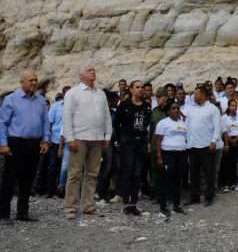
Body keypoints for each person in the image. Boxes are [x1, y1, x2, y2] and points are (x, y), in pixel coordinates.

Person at [62, 64, 112, 219]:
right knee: (75, 173)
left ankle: (89, 205)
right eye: (89, 70)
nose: (93, 72)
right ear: (81, 74)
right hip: (79, 137)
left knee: (92, 173)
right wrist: (69, 138)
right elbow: (67, 116)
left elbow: (106, 115)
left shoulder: (101, 94)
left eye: (94, 70)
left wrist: (107, 135)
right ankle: (71, 207)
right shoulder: (73, 93)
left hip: (96, 138)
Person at [0, 71, 50, 223]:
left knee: (28, 179)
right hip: (15, 142)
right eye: (30, 80)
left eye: (36, 80)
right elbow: (2, 123)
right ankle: (4, 214)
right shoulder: (11, 99)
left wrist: (45, 140)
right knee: (10, 179)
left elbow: (45, 122)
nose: (34, 82)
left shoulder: (41, 100)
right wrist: (3, 144)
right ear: (22, 82)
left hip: (34, 143)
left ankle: (23, 213)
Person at [114, 80, 152, 216]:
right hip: (127, 142)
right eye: (137, 87)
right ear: (131, 89)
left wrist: (146, 142)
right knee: (127, 171)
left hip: (140, 142)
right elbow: (116, 123)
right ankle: (126, 202)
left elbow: (147, 124)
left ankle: (134, 203)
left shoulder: (146, 107)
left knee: (137, 173)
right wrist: (120, 139)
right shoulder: (124, 105)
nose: (140, 90)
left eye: (142, 87)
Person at [185, 86, 222, 206]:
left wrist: (214, 142)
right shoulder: (191, 109)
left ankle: (209, 197)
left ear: (203, 95)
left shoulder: (212, 109)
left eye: (196, 95)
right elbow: (187, 125)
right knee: (194, 173)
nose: (194, 97)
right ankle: (194, 197)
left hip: (207, 146)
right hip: (192, 145)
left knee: (208, 173)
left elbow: (218, 127)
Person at [154, 100, 188, 217]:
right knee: (165, 181)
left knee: (178, 180)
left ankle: (176, 206)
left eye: (177, 108)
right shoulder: (163, 123)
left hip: (181, 154)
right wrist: (159, 157)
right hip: (168, 154)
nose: (176, 110)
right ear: (168, 111)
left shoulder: (183, 123)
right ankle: (163, 207)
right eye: (173, 108)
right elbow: (158, 141)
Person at [47, 87, 69, 198]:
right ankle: (51, 191)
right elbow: (49, 123)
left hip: (69, 141)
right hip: (55, 140)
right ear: (64, 94)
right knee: (53, 166)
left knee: (65, 167)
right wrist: (48, 139)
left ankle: (63, 191)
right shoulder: (56, 106)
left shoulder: (75, 107)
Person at [220, 99, 238, 192]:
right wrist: (229, 142)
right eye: (232, 105)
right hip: (227, 141)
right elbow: (224, 131)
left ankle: (233, 183)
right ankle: (225, 184)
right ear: (229, 107)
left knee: (234, 162)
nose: (234, 107)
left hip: (237, 141)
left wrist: (235, 140)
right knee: (225, 163)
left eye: (235, 105)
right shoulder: (224, 118)